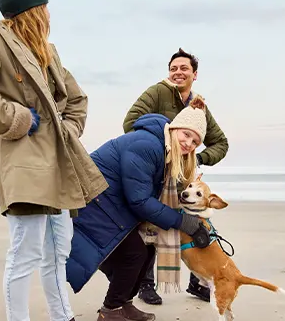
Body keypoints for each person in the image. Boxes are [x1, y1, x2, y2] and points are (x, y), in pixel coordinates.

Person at [0, 0, 108, 320]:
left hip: (59, 166)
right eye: (44, 6)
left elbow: (77, 99)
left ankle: (62, 317)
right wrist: (15, 118)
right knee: (25, 254)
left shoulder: (49, 52)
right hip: (23, 162)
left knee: (58, 252)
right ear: (33, 9)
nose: (49, 13)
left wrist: (69, 130)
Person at [67, 104, 216, 321]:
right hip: (91, 204)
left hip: (111, 205)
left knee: (145, 252)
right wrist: (182, 222)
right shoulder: (147, 145)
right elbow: (140, 200)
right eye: (186, 135)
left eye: (195, 142)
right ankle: (110, 310)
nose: (188, 143)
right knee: (134, 253)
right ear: (175, 128)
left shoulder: (165, 150)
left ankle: (124, 304)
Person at [122, 48, 230, 305]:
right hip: (156, 172)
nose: (178, 72)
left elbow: (221, 143)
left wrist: (197, 159)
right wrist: (169, 143)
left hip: (183, 181)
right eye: (173, 68)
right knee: (150, 226)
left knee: (199, 227)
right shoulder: (157, 92)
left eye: (184, 68)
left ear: (195, 74)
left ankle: (197, 281)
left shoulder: (199, 105)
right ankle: (146, 285)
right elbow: (131, 122)